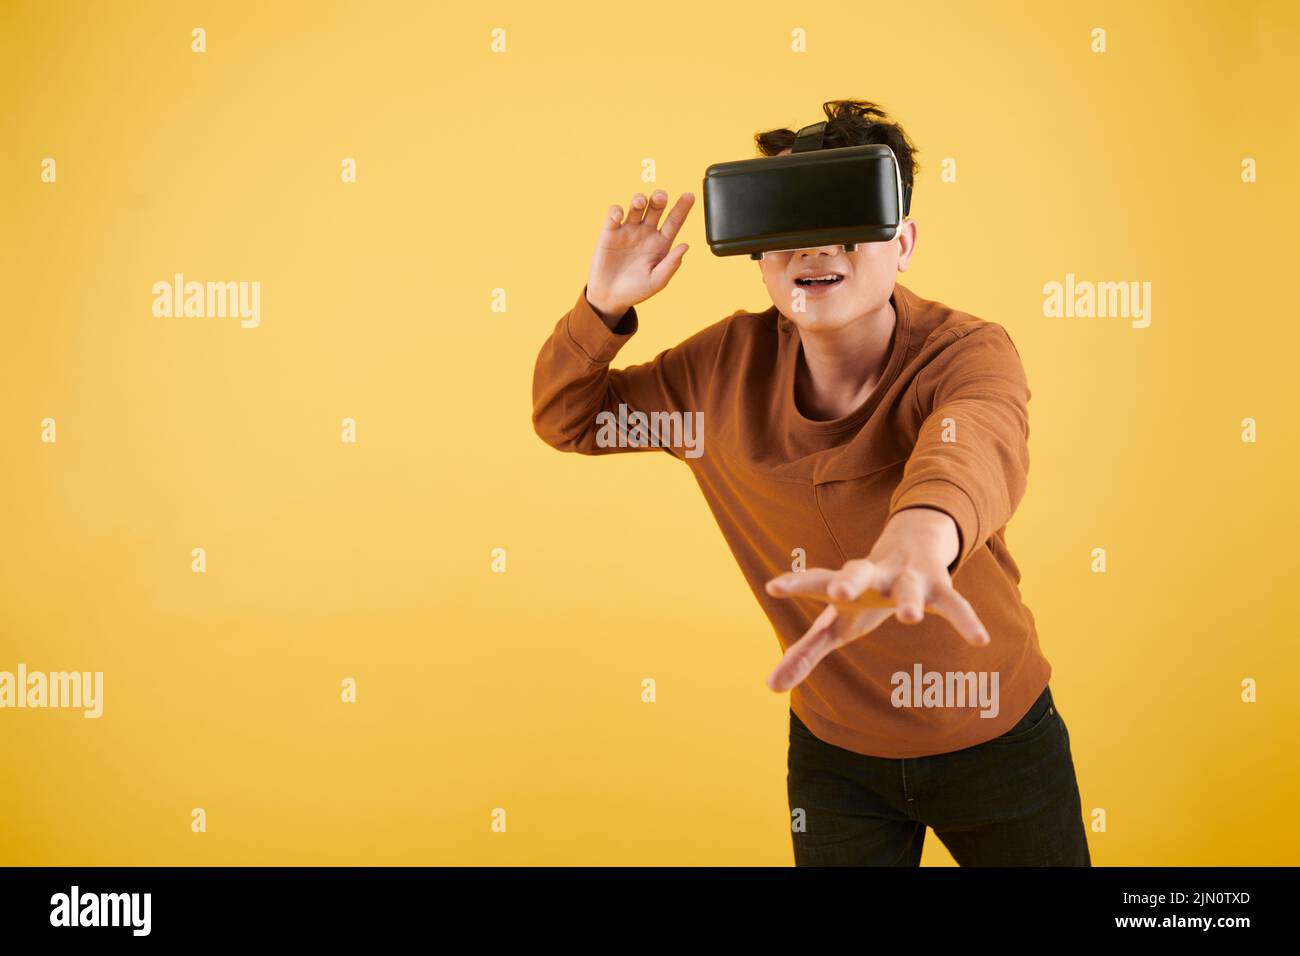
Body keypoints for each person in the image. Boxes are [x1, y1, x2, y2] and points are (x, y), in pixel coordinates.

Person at [531, 99, 1090, 866]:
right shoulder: (719, 372)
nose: (816, 247)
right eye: (790, 222)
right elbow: (570, 418)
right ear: (759, 251)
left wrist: (919, 541)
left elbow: (972, 444)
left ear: (906, 242)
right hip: (835, 755)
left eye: (850, 214)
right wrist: (603, 307)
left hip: (997, 735)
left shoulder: (965, 352)